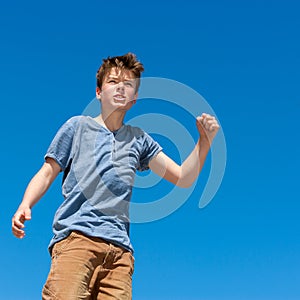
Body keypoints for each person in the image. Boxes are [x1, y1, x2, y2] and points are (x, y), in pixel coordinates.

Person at [12, 52, 220, 299]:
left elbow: (183, 177)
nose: (120, 87)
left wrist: (204, 142)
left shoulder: (139, 139)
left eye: (128, 84)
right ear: (99, 92)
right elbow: (48, 172)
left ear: (134, 99)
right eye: (113, 82)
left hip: (120, 254)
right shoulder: (77, 126)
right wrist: (26, 203)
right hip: (77, 240)